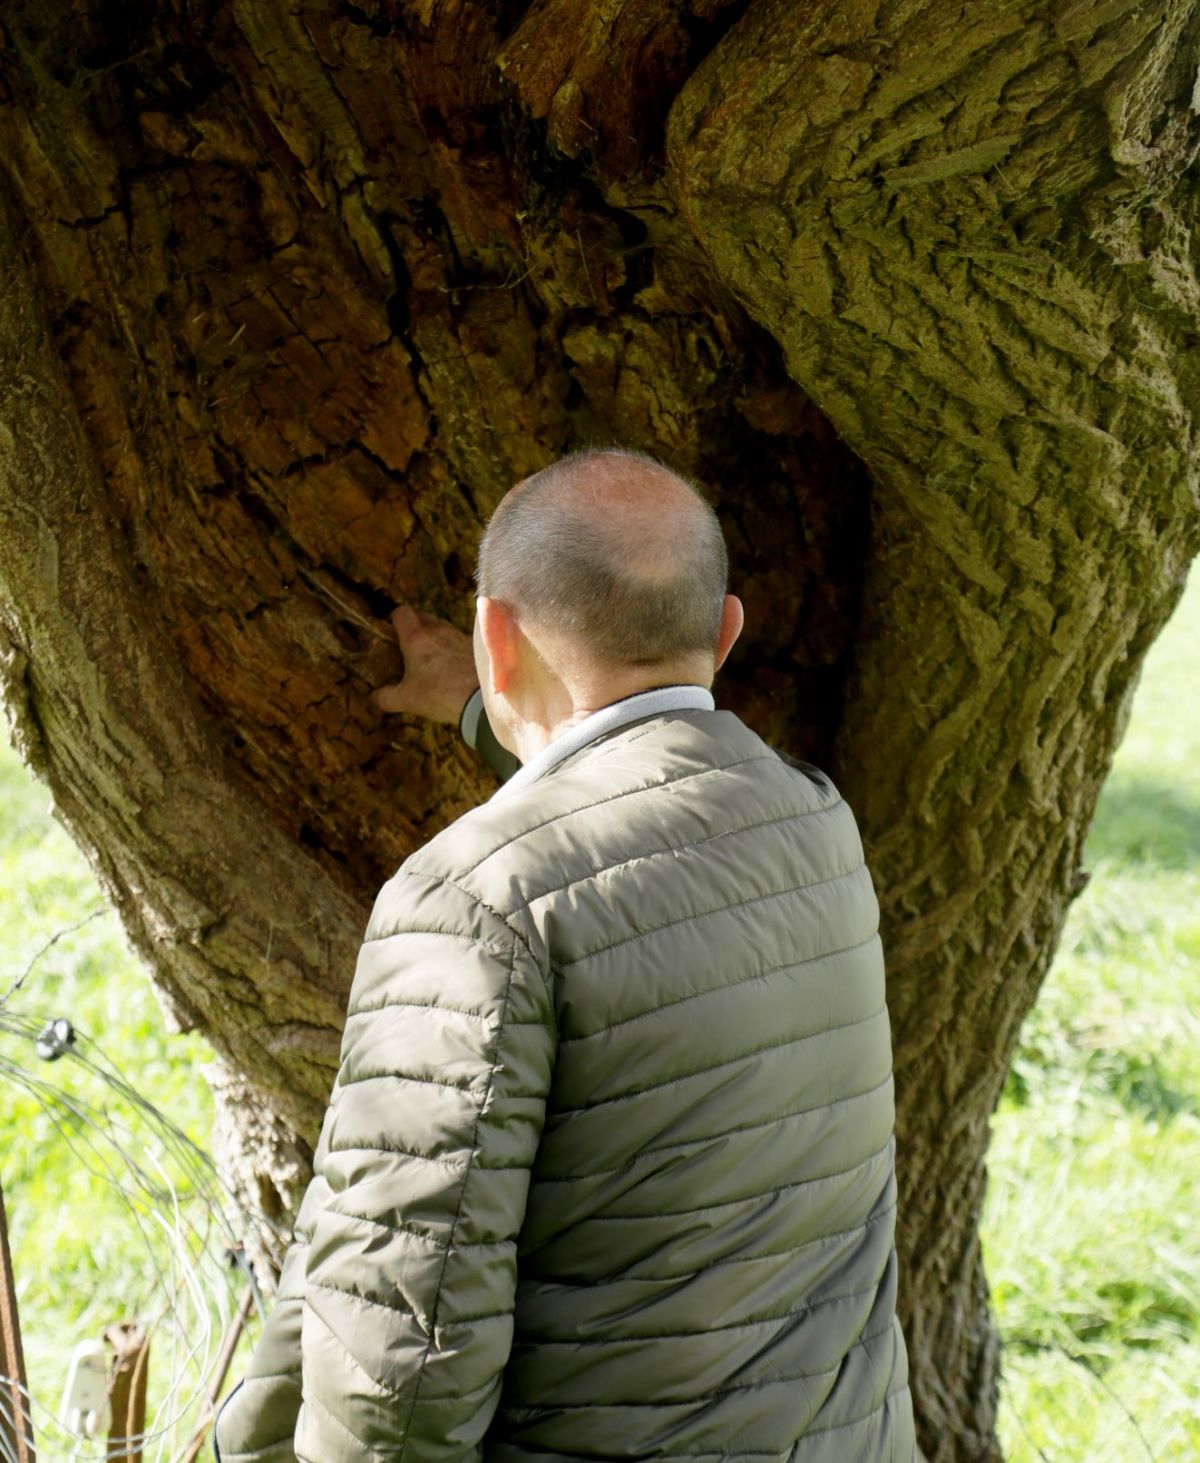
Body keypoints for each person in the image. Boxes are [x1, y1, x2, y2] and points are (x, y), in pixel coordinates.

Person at [213, 448, 916, 1462]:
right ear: (723, 630)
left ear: (493, 634)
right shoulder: (813, 823)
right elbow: (642, 853)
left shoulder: (469, 903)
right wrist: (496, 713)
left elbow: (403, 1353)